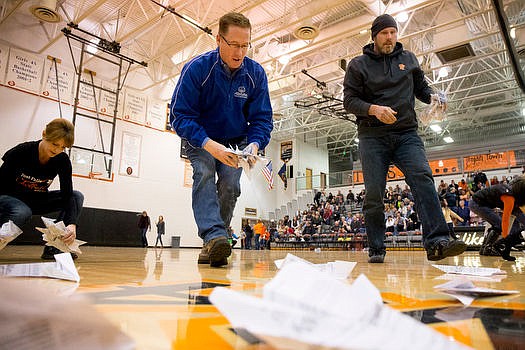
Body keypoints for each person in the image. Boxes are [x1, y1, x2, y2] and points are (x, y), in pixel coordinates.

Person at [343, 14, 467, 263]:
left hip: (406, 133)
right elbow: (349, 101)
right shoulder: (358, 65)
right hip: (372, 136)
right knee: (374, 194)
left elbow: (421, 89)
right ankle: (377, 247)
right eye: (384, 33)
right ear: (374, 36)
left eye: (393, 32)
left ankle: (437, 241)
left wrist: (434, 97)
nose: (389, 38)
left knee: (422, 177)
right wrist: (375, 109)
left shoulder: (408, 59)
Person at [170, 12, 273, 267]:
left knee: (231, 186)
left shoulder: (255, 74)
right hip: (201, 138)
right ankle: (215, 236)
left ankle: (216, 242)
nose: (240, 52)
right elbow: (179, 116)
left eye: (245, 45)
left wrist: (255, 143)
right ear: (219, 39)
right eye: (234, 45)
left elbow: (262, 120)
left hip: (235, 142)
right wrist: (209, 144)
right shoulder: (197, 69)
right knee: (204, 173)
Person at [0, 118, 84, 260]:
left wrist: (71, 223)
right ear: (44, 134)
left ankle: (54, 248)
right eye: (54, 144)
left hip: (36, 200)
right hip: (9, 198)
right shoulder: (21, 151)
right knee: (22, 211)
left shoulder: (62, 160)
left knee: (76, 196)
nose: (57, 150)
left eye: (62, 147)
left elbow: (67, 194)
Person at [469, 176, 525, 261]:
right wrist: (505, 239)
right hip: (477, 203)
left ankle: (484, 249)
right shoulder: (509, 197)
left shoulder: (511, 194)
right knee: (499, 223)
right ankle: (489, 248)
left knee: (515, 218)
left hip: (481, 203)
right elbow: (505, 220)